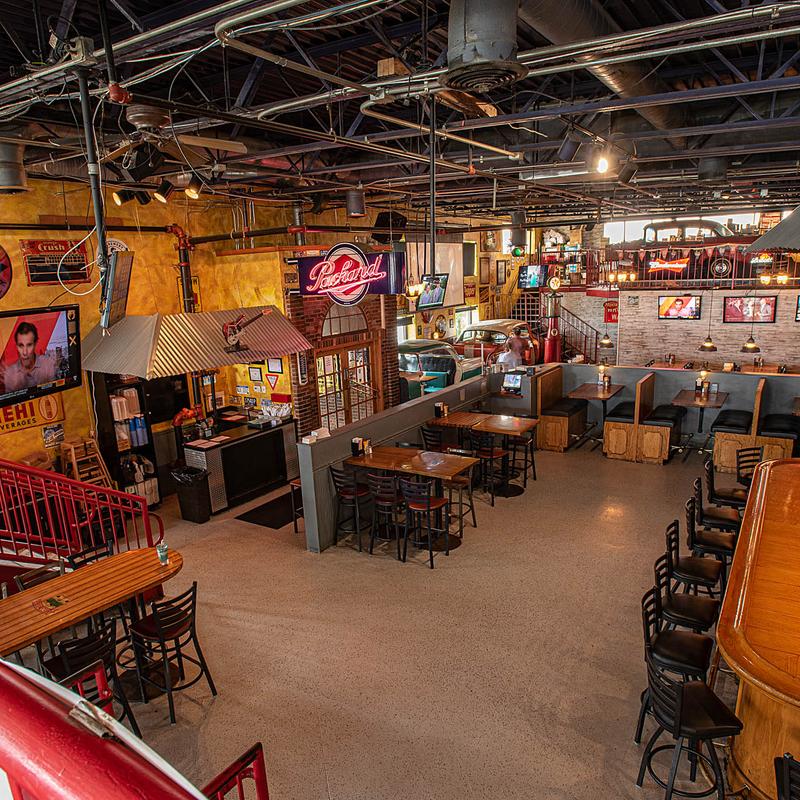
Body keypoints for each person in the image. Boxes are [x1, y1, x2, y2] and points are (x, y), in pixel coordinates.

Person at [2, 321, 57, 392]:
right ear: (16, 346)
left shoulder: (48, 365)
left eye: (29, 345)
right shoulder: (10, 373)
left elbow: (56, 394)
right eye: (21, 345)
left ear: (35, 344)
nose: (25, 352)